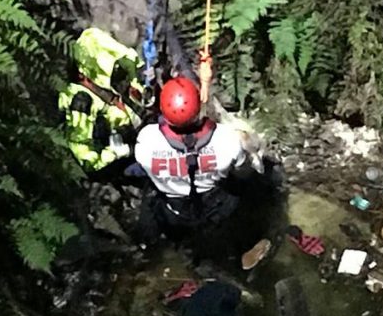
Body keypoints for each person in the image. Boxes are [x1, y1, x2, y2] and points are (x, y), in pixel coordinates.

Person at [134, 76, 271, 266]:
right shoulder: (227, 140)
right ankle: (246, 244)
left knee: (149, 193)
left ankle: (150, 249)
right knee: (248, 183)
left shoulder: (146, 141)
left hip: (173, 211)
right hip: (215, 207)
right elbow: (242, 171)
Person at [58, 28, 147, 180]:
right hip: (118, 167)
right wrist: (118, 152)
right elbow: (86, 160)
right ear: (84, 75)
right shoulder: (81, 102)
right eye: (111, 70)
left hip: (145, 145)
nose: (118, 72)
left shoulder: (111, 86)